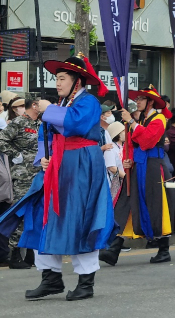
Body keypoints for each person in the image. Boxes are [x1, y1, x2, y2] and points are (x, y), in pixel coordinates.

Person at [26, 56, 113, 300]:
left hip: (82, 163)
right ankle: (50, 276)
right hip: (59, 164)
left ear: (77, 80)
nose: (57, 82)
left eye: (62, 78)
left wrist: (49, 109)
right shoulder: (64, 103)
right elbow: (50, 135)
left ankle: (86, 283)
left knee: (81, 218)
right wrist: (45, 158)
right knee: (46, 214)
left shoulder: (89, 102)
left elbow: (74, 124)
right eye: (56, 78)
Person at [100, 86, 175, 266]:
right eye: (138, 98)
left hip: (154, 166)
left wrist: (132, 124)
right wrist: (128, 159)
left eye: (142, 99)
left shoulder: (159, 119)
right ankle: (114, 248)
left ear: (150, 102)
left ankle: (164, 248)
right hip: (137, 165)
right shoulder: (140, 119)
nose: (138, 101)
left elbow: (148, 140)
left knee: (156, 204)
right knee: (128, 203)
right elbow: (132, 144)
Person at [0, 98, 41, 269]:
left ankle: (29, 253)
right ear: (34, 105)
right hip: (23, 175)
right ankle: (14, 254)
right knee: (20, 213)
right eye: (41, 104)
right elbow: (2, 140)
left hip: (39, 174)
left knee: (35, 213)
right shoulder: (18, 122)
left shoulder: (41, 124)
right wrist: (16, 155)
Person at [104, 122, 126, 203]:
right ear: (118, 134)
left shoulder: (123, 147)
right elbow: (112, 167)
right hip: (115, 184)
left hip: (124, 182)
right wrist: (126, 177)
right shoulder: (110, 149)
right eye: (123, 131)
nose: (126, 133)